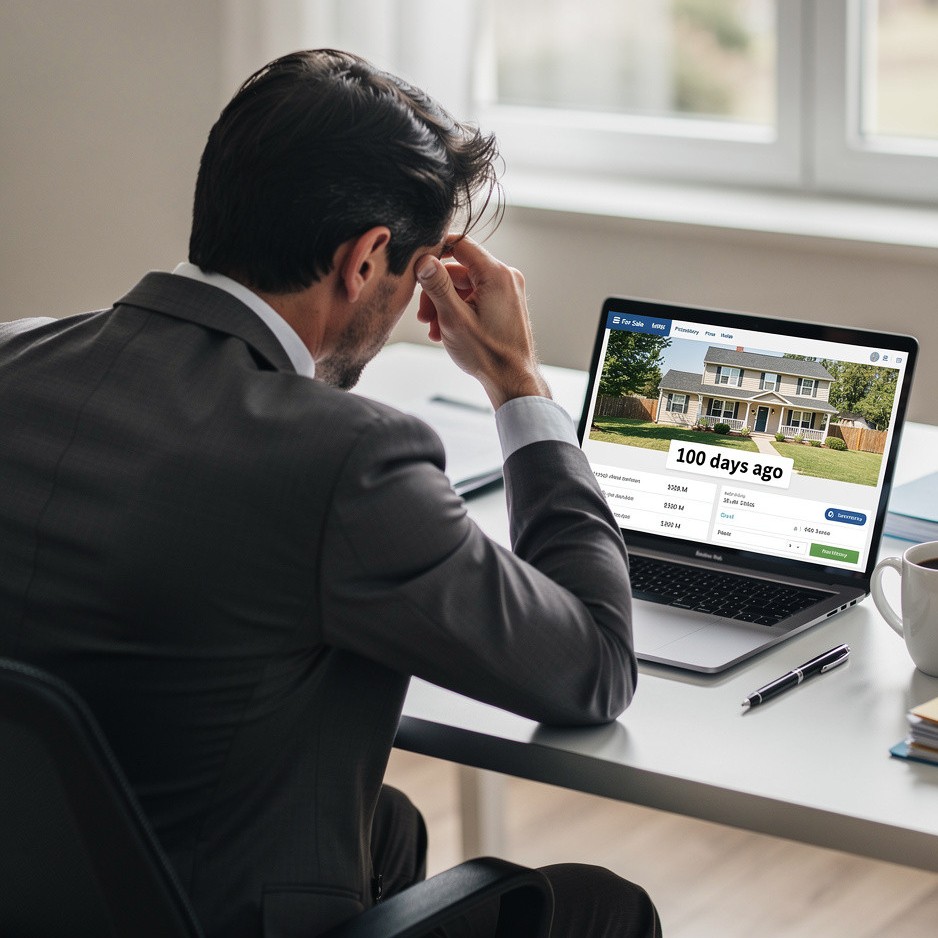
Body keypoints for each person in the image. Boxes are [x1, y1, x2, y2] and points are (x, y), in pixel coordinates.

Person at [0, 49, 659, 937]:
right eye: (413, 275)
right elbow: (595, 666)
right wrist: (516, 380)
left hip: (55, 886)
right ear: (366, 259)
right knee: (602, 908)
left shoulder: (16, 356)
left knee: (385, 828)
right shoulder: (347, 459)